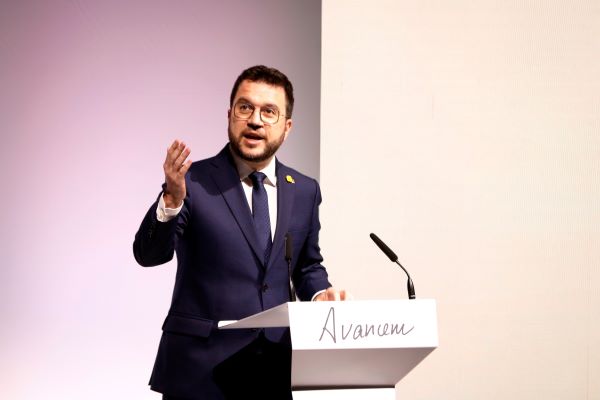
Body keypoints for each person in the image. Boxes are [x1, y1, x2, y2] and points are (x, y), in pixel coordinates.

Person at [133, 65, 349, 399]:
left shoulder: (305, 190)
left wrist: (322, 295)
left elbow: (308, 266)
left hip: (277, 369)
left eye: (269, 112)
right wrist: (172, 199)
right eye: (245, 107)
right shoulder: (193, 182)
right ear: (230, 114)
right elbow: (149, 255)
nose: (255, 120)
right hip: (200, 371)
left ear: (287, 127)